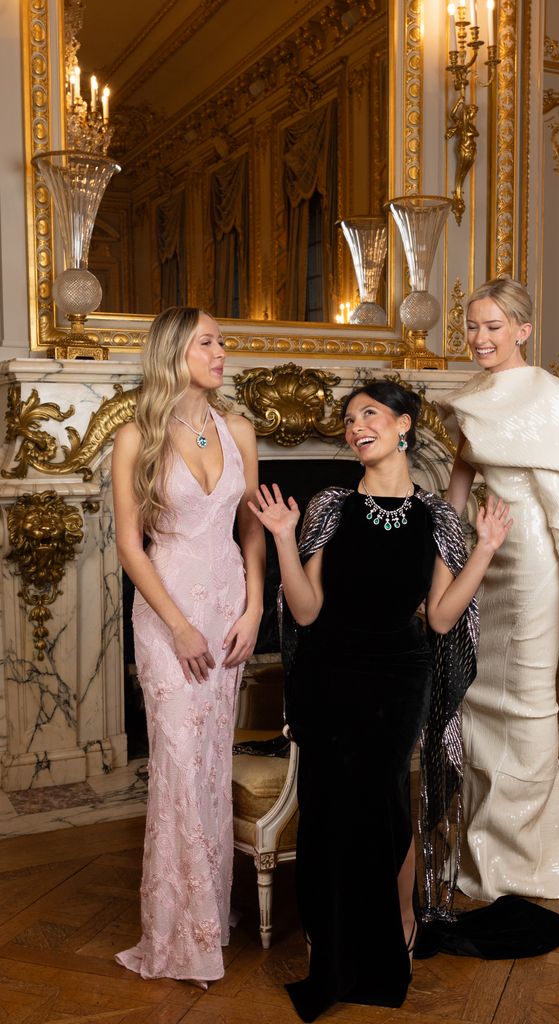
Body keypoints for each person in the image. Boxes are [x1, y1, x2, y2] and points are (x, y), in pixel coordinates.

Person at [248, 380, 511, 1022]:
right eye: (347, 419)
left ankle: (401, 919)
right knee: (330, 808)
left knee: (387, 802)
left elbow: (444, 618)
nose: (354, 426)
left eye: (369, 413)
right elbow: (306, 611)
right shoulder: (329, 507)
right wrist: (283, 536)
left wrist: (485, 549)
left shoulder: (437, 518)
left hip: (398, 675)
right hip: (330, 672)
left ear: (403, 425)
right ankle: (329, 936)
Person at [442, 277, 559, 902]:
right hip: (487, 549)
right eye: (473, 326)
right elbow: (461, 479)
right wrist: (445, 541)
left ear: (523, 330)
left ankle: (526, 847)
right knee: (477, 692)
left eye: (494, 327)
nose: (480, 338)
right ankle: (487, 839)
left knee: (525, 697)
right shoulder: (471, 397)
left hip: (532, 560)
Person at [112, 306, 265, 984]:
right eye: (208, 341)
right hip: (169, 611)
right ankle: (178, 938)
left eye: (222, 341)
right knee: (177, 763)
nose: (222, 351)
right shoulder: (134, 437)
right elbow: (128, 543)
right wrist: (175, 622)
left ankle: (210, 918)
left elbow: (253, 528)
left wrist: (258, 605)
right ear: (175, 352)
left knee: (209, 762)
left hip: (229, 604)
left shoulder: (238, 428)